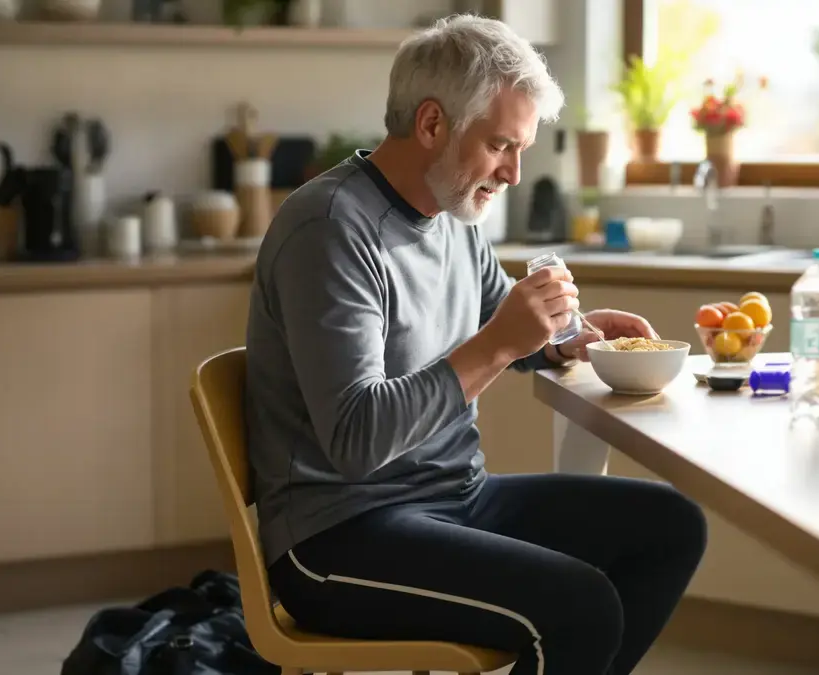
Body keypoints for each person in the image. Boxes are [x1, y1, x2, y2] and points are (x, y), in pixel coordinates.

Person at [244, 14, 707, 675]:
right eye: (500, 146)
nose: (514, 173)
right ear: (432, 124)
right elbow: (357, 439)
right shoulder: (329, 229)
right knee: (582, 607)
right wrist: (499, 343)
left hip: (454, 497)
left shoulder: (452, 214)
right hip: (337, 533)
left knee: (671, 527)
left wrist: (566, 336)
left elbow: (503, 327)